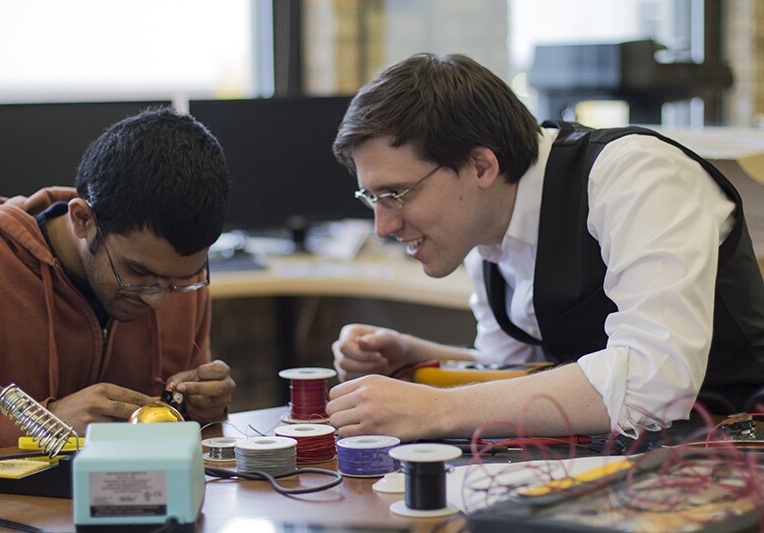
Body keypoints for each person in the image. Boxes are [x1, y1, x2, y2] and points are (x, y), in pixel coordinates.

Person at [326, 53, 764, 442]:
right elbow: (522, 374)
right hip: (627, 457)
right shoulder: (483, 221)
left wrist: (434, 409)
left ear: (481, 165)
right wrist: (417, 357)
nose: (383, 225)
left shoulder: (635, 175)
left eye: (396, 194)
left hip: (734, 450)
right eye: (372, 198)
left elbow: (651, 384)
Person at [0, 107, 235, 452]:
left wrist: (204, 410)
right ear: (81, 220)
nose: (159, 300)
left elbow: (175, 438)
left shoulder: (176, 278)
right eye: (138, 273)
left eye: (180, 279)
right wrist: (44, 425)